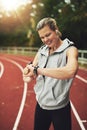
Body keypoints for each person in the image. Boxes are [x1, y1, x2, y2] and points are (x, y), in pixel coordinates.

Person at [23, 17, 78, 130]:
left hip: (60, 108)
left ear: (56, 30)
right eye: (42, 37)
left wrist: (38, 70)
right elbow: (31, 75)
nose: (45, 40)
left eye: (48, 35)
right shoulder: (41, 50)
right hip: (41, 105)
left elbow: (70, 71)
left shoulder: (70, 50)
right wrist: (27, 73)